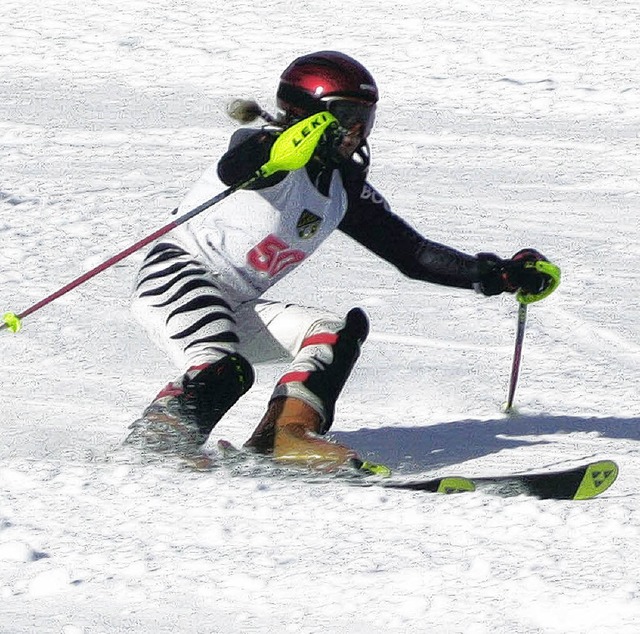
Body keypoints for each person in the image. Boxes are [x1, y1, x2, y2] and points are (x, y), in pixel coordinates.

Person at [124, 51, 556, 471]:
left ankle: (285, 437)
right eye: (345, 114)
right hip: (179, 275)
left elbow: (413, 253)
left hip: (235, 301)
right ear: (307, 112)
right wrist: (278, 149)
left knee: (335, 332)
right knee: (225, 370)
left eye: (364, 118)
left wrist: (498, 274)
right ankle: (158, 442)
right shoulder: (266, 152)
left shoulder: (341, 187)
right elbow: (239, 163)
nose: (356, 130)